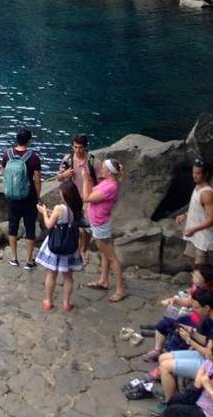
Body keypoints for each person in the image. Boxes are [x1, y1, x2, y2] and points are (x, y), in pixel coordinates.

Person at [155, 288, 213, 406]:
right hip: (207, 356)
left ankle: (169, 405)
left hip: (212, 363)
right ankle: (174, 394)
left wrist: (189, 340)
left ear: (207, 307)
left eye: (197, 307)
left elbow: (208, 353)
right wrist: (192, 333)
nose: (194, 309)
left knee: (164, 366)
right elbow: (208, 341)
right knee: (162, 357)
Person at [142, 263, 213, 362]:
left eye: (197, 277)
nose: (194, 278)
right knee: (163, 324)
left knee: (178, 338)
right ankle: (158, 350)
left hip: (201, 325)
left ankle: (166, 360)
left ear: (207, 281)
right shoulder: (197, 286)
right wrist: (174, 300)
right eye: (194, 275)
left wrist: (197, 331)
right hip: (191, 318)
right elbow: (190, 301)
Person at [151, 334, 213, 417]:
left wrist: (209, 387)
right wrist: (198, 382)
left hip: (209, 413)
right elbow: (203, 368)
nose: (205, 349)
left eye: (208, 348)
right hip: (201, 400)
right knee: (174, 400)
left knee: (172, 411)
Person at [36, 180, 85, 312]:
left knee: (51, 274)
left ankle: (49, 301)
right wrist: (50, 212)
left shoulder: (59, 208)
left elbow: (48, 224)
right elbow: (64, 218)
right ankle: (66, 303)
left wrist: (44, 212)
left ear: (64, 194)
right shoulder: (75, 209)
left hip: (56, 245)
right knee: (68, 276)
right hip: (70, 246)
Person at [83, 157, 127, 302]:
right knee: (103, 253)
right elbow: (92, 192)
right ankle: (103, 280)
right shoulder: (106, 182)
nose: (101, 169)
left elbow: (87, 197)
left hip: (101, 224)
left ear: (109, 172)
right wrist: (89, 180)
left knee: (111, 256)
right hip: (98, 223)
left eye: (103, 168)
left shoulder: (111, 187)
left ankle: (120, 289)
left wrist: (85, 180)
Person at [2, 128, 42, 269]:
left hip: (12, 197)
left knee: (12, 227)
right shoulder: (33, 158)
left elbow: (3, 173)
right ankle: (29, 261)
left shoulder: (8, 154)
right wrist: (38, 197)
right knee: (29, 228)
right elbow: (37, 181)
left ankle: (14, 258)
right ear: (29, 141)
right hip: (28, 197)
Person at [56, 134, 99, 265]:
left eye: (80, 147)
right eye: (75, 147)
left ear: (85, 147)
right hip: (72, 199)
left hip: (88, 199)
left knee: (86, 228)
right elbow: (59, 177)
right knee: (72, 225)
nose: (77, 150)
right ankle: (74, 249)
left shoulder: (94, 162)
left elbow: (101, 180)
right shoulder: (67, 159)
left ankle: (84, 249)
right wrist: (64, 175)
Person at [176, 159, 213, 269]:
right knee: (193, 260)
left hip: (205, 239)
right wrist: (185, 215)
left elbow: (212, 218)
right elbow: (197, 209)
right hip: (194, 236)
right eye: (193, 172)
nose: (194, 176)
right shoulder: (197, 188)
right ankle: (196, 284)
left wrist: (194, 229)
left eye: (198, 173)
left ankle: (207, 285)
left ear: (206, 175)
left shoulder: (207, 193)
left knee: (204, 267)